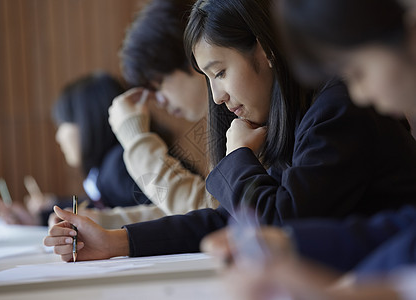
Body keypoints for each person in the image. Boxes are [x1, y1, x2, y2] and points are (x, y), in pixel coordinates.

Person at [43, 0, 416, 263]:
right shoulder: (298, 114)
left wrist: (239, 158)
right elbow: (234, 218)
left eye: (220, 72)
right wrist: (116, 242)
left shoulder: (337, 108)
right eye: (209, 79)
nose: (217, 97)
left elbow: (274, 226)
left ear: (265, 48)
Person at [200, 0, 416, 299]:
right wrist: (290, 243)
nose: (359, 93)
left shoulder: (338, 106)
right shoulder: (305, 112)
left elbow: (280, 216)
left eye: (357, 71)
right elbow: (404, 227)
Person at [0, 72, 157, 227]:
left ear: (88, 122)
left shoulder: (120, 166)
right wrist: (40, 216)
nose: (59, 137)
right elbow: (106, 208)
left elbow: (159, 215)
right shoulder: (110, 165)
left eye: (62, 124)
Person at [108, 0, 217, 217]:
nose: (160, 101)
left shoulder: (249, 116)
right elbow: (209, 208)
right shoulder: (224, 120)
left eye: (159, 85)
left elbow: (211, 213)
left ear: (192, 56)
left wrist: (136, 138)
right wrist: (106, 224)